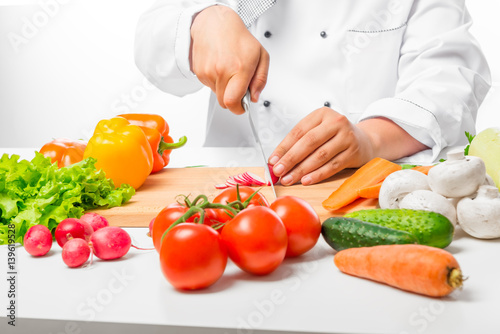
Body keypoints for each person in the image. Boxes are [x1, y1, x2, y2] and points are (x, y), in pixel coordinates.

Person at [134, 0, 491, 186]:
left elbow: (449, 80)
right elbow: (152, 43)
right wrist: (202, 21)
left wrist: (369, 140)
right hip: (233, 189)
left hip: (361, 189)